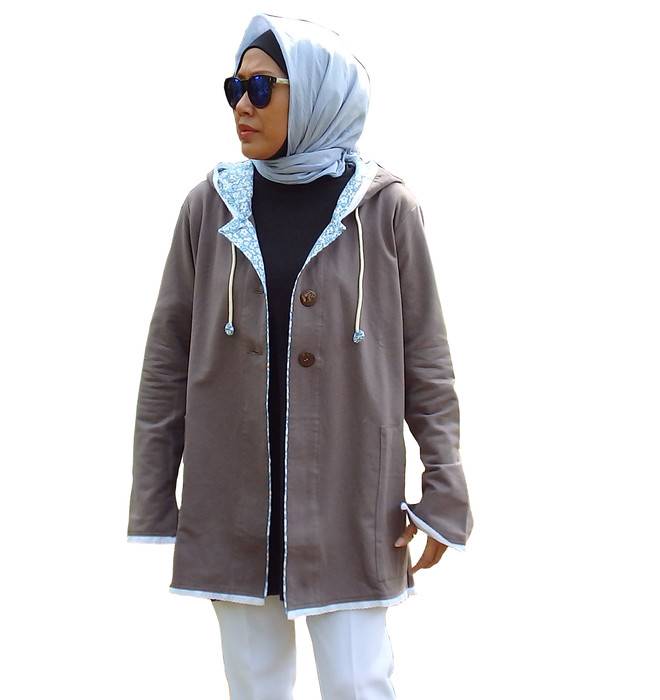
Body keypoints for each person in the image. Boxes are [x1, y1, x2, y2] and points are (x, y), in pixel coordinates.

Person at [128, 13, 473, 699]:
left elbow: (427, 361)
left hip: (353, 500)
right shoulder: (210, 207)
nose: (242, 106)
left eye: (261, 88)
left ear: (316, 93)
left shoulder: (385, 210)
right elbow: (166, 359)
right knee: (254, 687)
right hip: (233, 502)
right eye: (233, 88)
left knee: (357, 684)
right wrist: (153, 494)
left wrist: (445, 488)